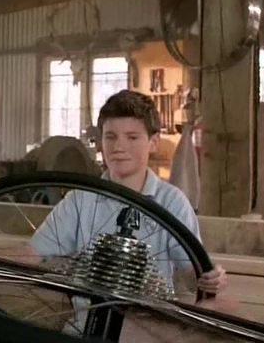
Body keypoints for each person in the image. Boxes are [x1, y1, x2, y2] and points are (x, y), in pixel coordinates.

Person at [29, 90, 228, 334]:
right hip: (86, 329)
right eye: (110, 137)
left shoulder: (172, 202)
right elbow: (31, 254)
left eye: (132, 137)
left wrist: (209, 279)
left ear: (153, 142)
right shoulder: (80, 199)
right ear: (100, 141)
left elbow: (190, 274)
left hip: (149, 331)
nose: (119, 147)